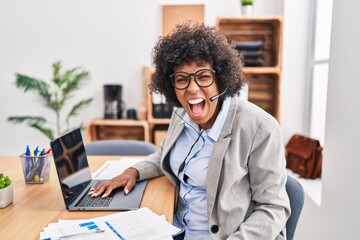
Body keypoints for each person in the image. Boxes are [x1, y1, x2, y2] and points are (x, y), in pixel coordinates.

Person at [90, 23, 291, 239]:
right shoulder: (181, 114)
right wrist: (132, 172)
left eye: (203, 76)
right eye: (182, 79)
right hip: (176, 228)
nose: (192, 89)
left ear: (220, 79)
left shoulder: (259, 127)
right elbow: (164, 155)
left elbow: (274, 208)